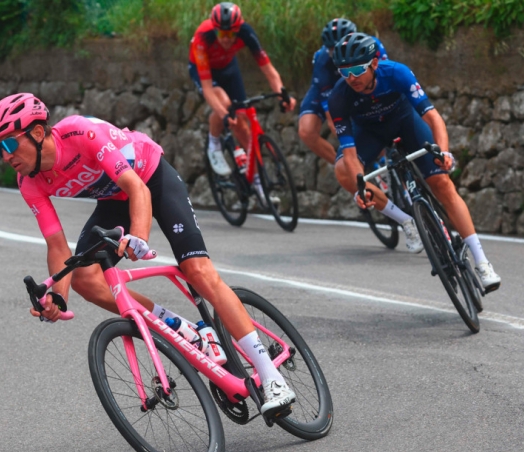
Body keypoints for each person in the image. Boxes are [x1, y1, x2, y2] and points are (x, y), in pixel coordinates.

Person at [0, 93, 297, 417]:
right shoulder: (29, 182)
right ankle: (184, 329)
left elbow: (137, 189)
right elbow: (57, 247)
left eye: (7, 145)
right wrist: (58, 299)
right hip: (114, 200)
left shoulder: (81, 133)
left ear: (37, 133)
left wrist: (139, 238)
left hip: (150, 178)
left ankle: (272, 378)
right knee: (85, 279)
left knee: (197, 271)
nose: (5, 156)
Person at [327, 33, 501, 290]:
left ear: (374, 64)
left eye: (356, 69)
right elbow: (350, 153)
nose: (351, 77)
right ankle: (406, 221)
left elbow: (432, 118)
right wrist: (361, 187)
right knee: (344, 171)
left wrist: (443, 153)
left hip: (406, 123)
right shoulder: (339, 97)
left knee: (442, 184)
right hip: (370, 133)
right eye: (344, 71)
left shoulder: (397, 73)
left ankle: (482, 261)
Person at [188, 2, 296, 179]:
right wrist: (223, 114)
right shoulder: (203, 37)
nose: (226, 38)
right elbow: (207, 89)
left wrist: (282, 95)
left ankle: (257, 181)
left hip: (228, 67)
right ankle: (214, 145)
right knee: (224, 104)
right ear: (215, 30)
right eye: (221, 33)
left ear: (238, 30)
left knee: (242, 122)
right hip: (204, 70)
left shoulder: (246, 32)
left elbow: (268, 69)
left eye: (231, 33)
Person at [299, 18, 387, 165]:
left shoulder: (373, 45)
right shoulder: (322, 61)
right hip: (330, 88)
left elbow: (384, 77)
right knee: (306, 131)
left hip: (360, 82)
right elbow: (333, 121)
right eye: (333, 50)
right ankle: (350, 166)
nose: (338, 53)